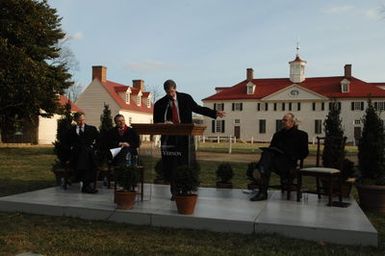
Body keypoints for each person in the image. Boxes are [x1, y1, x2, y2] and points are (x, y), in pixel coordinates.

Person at [153, 79, 225, 199]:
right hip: (169, 139)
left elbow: (197, 108)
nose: (170, 94)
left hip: (185, 136)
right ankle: (175, 192)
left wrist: (214, 113)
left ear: (175, 89)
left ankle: (187, 189)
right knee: (172, 165)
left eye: (171, 91)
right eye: (167, 92)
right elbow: (156, 121)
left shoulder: (185, 98)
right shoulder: (160, 104)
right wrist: (164, 123)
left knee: (185, 163)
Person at [250, 112, 309, 201]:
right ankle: (262, 187)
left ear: (292, 122)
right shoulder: (278, 134)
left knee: (265, 164)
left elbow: (304, 153)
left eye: (285, 120)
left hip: (289, 162)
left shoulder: (301, 135)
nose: (283, 122)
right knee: (266, 154)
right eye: (282, 120)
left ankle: (260, 176)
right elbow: (271, 148)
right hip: (276, 161)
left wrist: (292, 155)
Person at [66, 112, 99, 193]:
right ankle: (86, 187)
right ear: (75, 120)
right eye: (79, 120)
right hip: (76, 155)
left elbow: (100, 140)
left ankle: (75, 176)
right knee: (86, 160)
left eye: (83, 120)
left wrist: (94, 147)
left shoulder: (92, 129)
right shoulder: (71, 131)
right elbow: (66, 143)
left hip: (90, 154)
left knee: (86, 153)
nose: (82, 122)